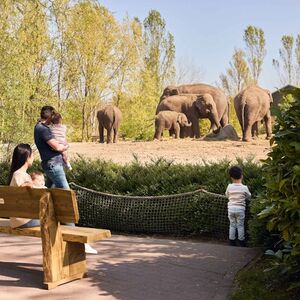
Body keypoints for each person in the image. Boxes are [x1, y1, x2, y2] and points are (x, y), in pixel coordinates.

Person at [34, 106, 97, 254]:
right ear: (49, 117)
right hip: (53, 166)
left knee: (46, 194)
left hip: (51, 165)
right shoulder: (42, 129)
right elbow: (57, 147)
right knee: (67, 197)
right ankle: (76, 239)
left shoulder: (40, 127)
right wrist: (66, 146)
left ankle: (44, 224)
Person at [8, 144, 40, 228]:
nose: (33, 158)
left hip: (19, 219)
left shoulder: (16, 174)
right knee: (50, 219)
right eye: (32, 155)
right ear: (27, 157)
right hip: (22, 220)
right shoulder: (19, 175)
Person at [225, 166, 251, 247]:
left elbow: (227, 195)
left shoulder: (229, 186)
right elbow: (249, 196)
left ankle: (231, 241)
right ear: (242, 176)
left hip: (231, 209)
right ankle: (241, 241)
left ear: (231, 177)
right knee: (240, 225)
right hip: (240, 209)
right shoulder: (244, 188)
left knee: (232, 224)